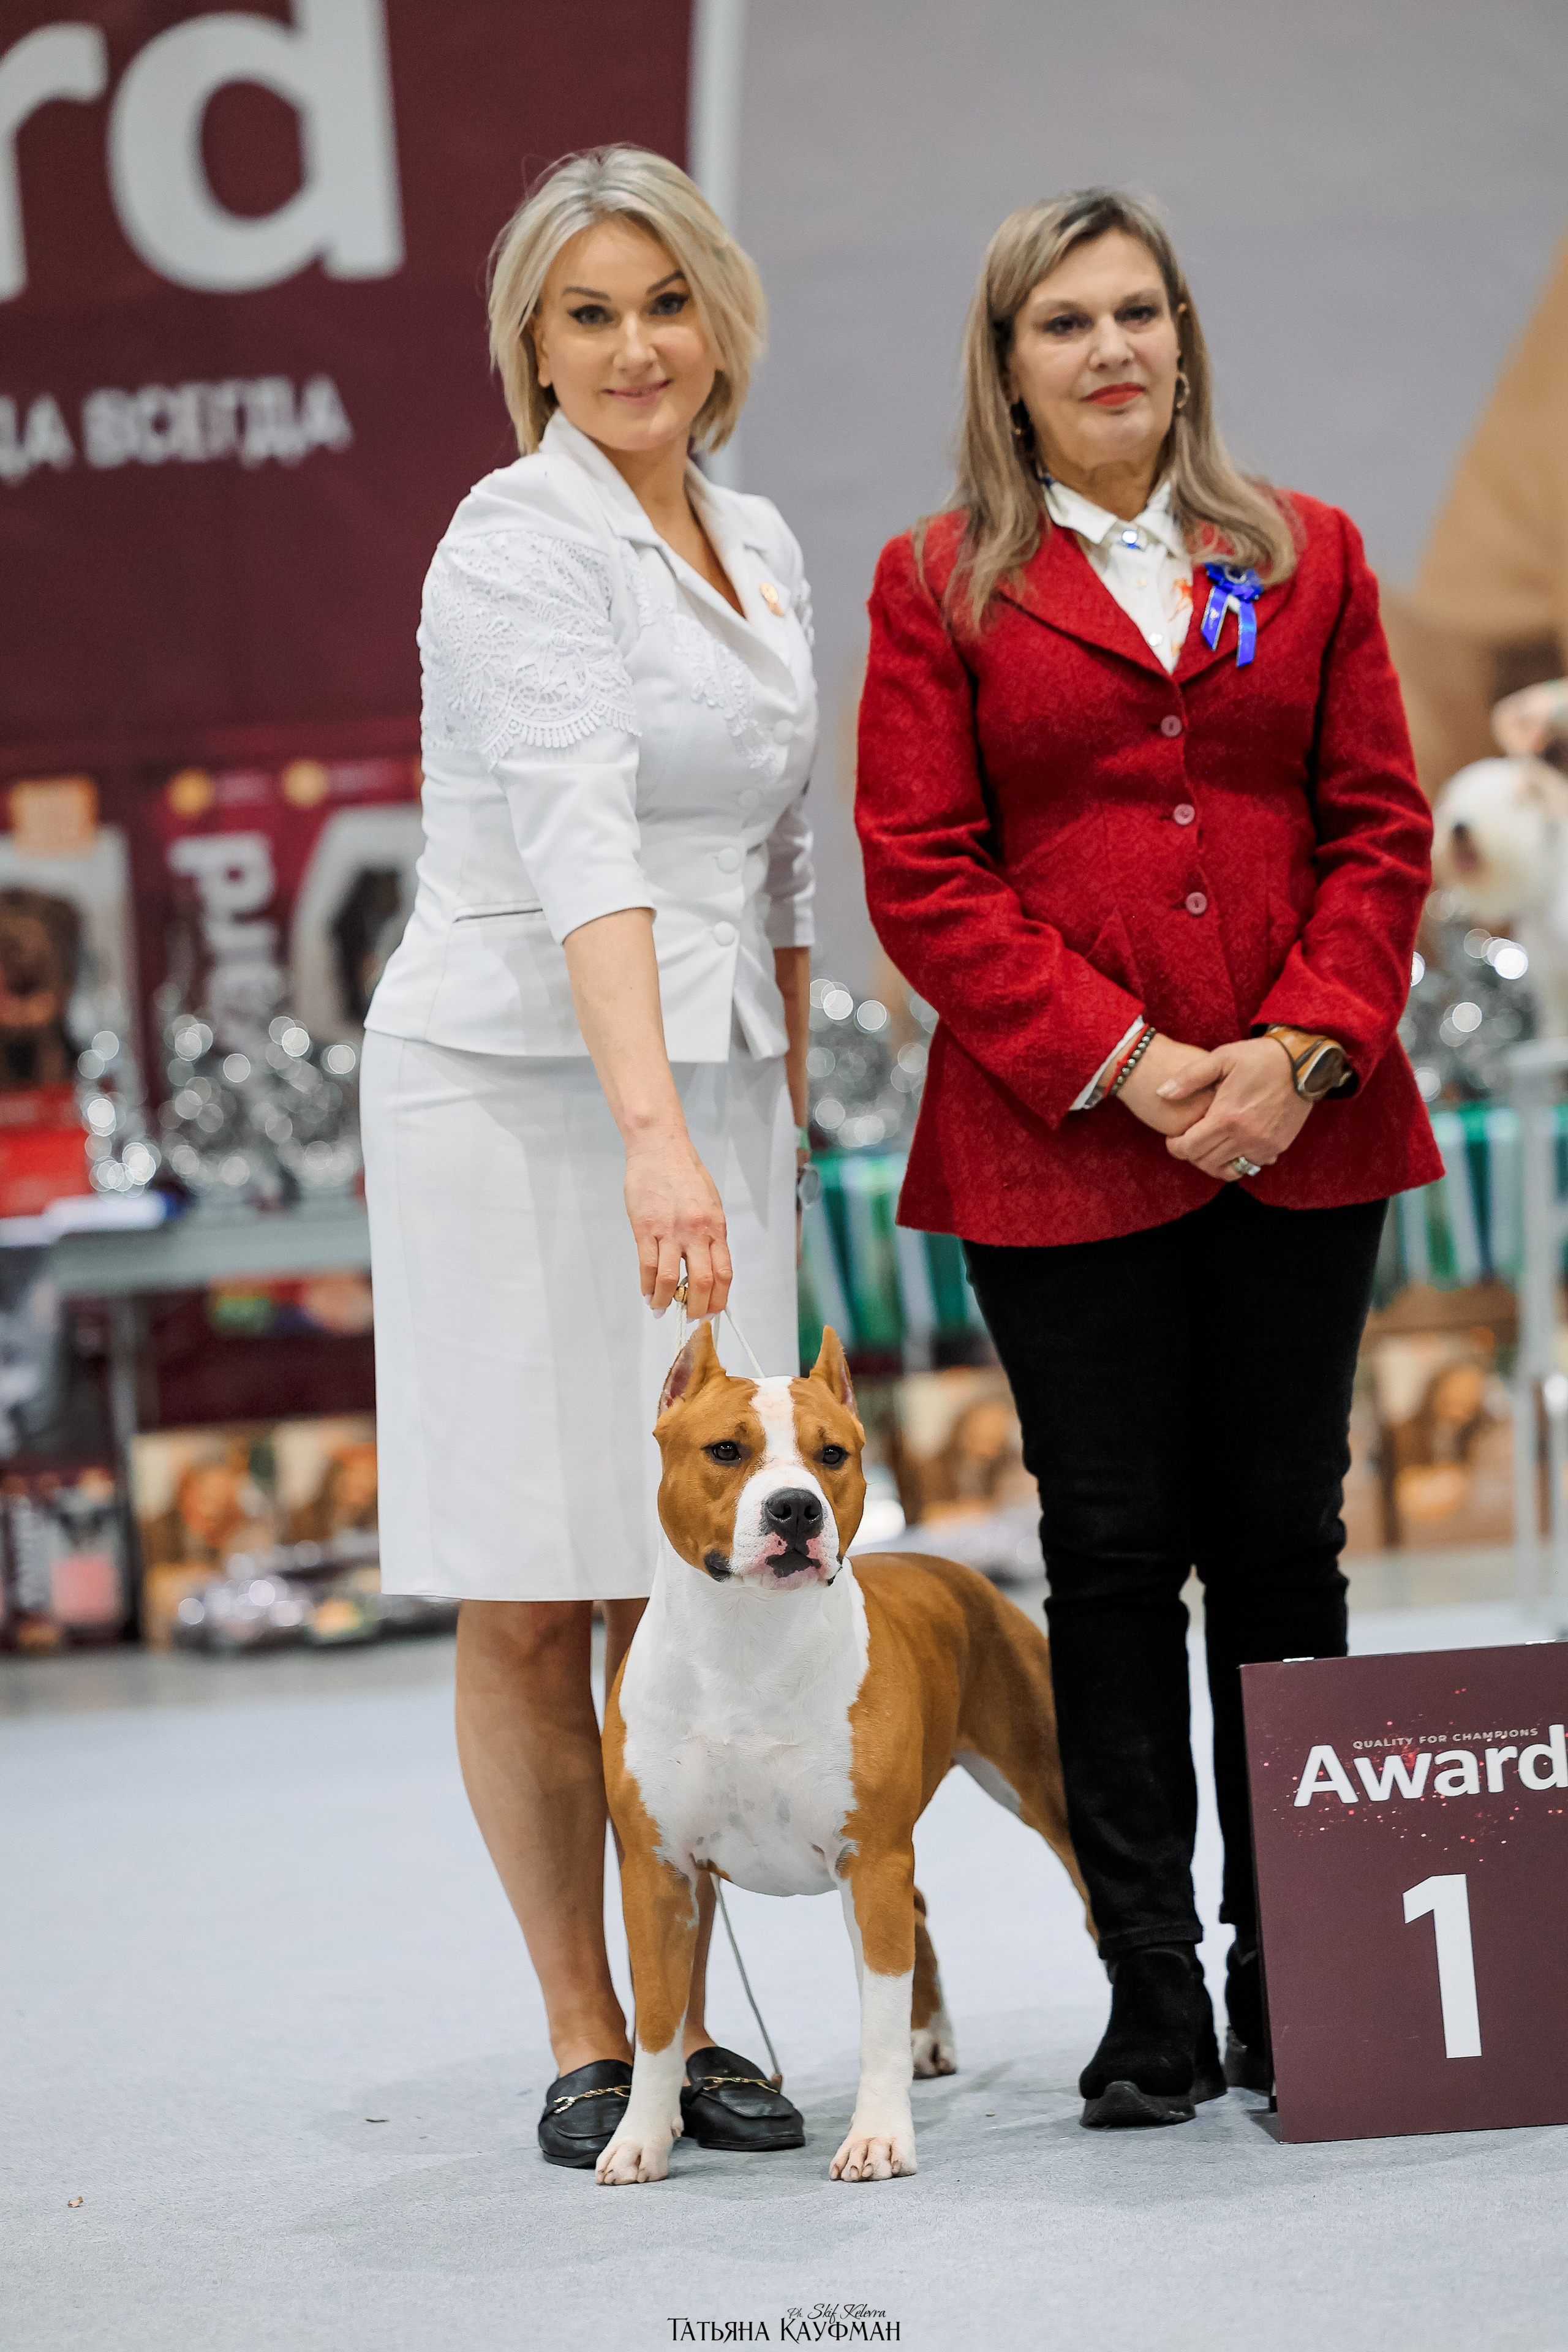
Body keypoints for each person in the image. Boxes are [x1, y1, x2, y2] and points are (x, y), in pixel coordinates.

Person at [856, 187, 1442, 2127]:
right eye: (1063, 324)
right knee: (1111, 1559)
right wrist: (1124, 1058)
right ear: (1007, 371)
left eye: (1139, 312)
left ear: (1185, 336)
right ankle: (1154, 1998)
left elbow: (1381, 830)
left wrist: (1301, 1048)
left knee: (1289, 1547)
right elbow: (919, 875)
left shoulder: (1311, 555)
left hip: (1304, 1124)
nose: (1111, 349)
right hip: (1061, 1146)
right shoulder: (936, 581)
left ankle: (1312, 1973)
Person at [361, 148, 815, 2167]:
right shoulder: (509, 543)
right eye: (586, 314)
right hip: (516, 1086)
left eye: (664, 304)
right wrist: (652, 1140)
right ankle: (581, 2027)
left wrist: (766, 1106)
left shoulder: (762, 533)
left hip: (707, 1085)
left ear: (718, 322)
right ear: (529, 347)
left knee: (692, 1579)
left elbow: (777, 851)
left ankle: (686, 2028)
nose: (635, 348)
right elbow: (584, 846)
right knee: (534, 1578)